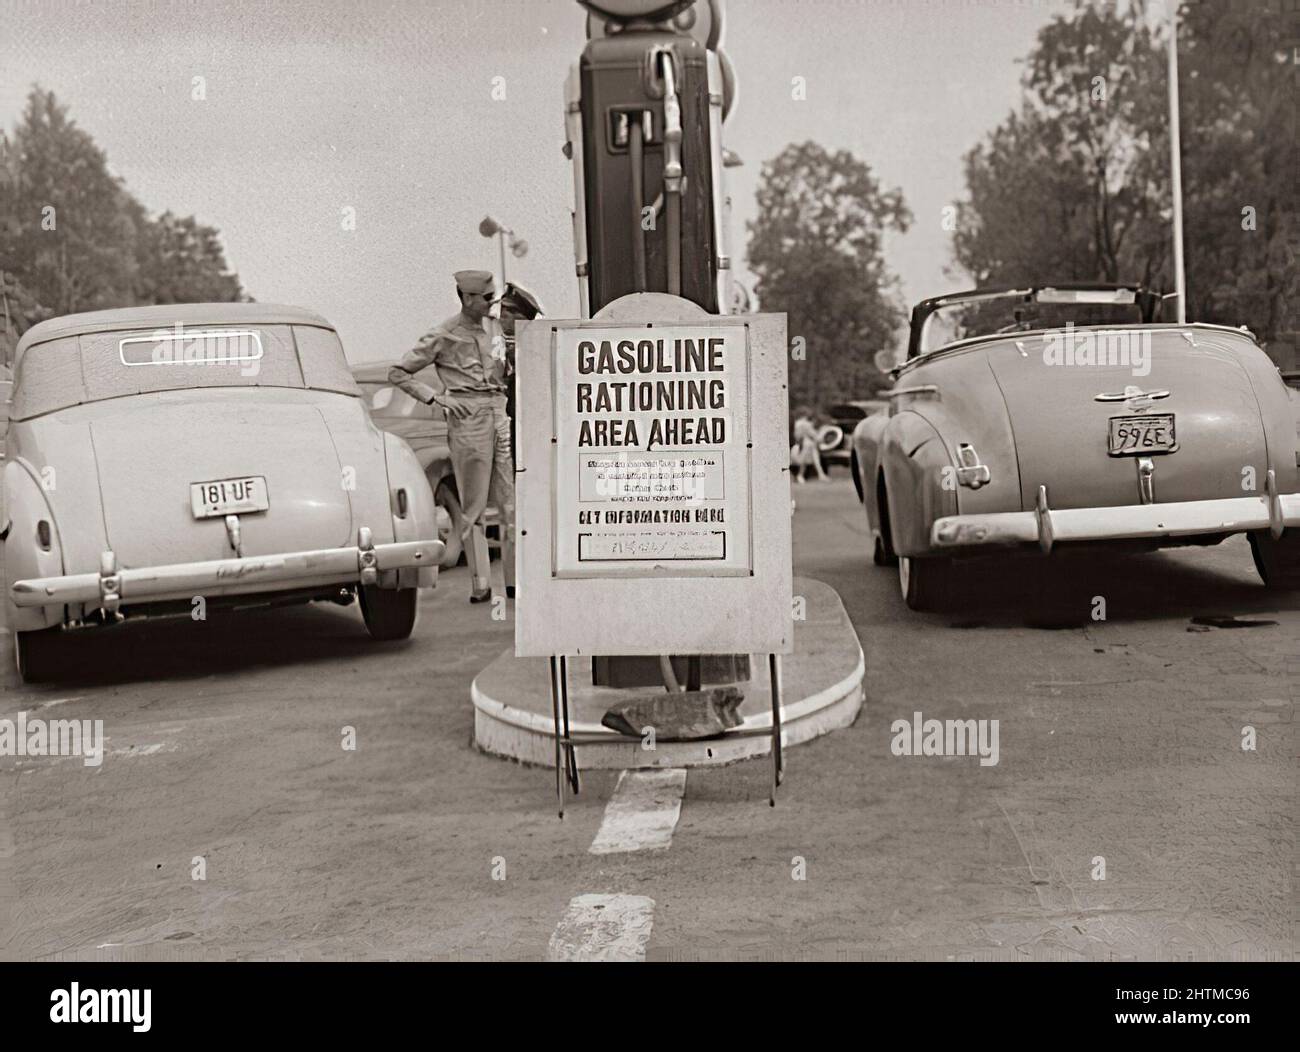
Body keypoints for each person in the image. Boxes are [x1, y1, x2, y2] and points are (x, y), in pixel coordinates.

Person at [389, 270, 515, 603]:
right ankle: (481, 584)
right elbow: (398, 373)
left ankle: (516, 583)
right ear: (468, 298)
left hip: (498, 411)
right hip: (468, 416)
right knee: (473, 507)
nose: (492, 303)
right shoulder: (443, 334)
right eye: (486, 298)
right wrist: (436, 397)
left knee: (510, 503)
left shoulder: (496, 330)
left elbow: (505, 367)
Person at [496, 281, 544, 465]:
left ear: (522, 318)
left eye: (508, 312)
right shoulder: (494, 344)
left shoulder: (534, 348)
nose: (502, 316)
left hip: (527, 427)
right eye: (502, 310)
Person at [790, 408, 826, 483]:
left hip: (793, 450)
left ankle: (820, 474)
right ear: (806, 416)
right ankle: (818, 474)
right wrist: (822, 432)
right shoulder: (805, 424)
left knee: (810, 445)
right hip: (799, 453)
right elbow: (817, 438)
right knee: (810, 445)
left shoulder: (796, 423)